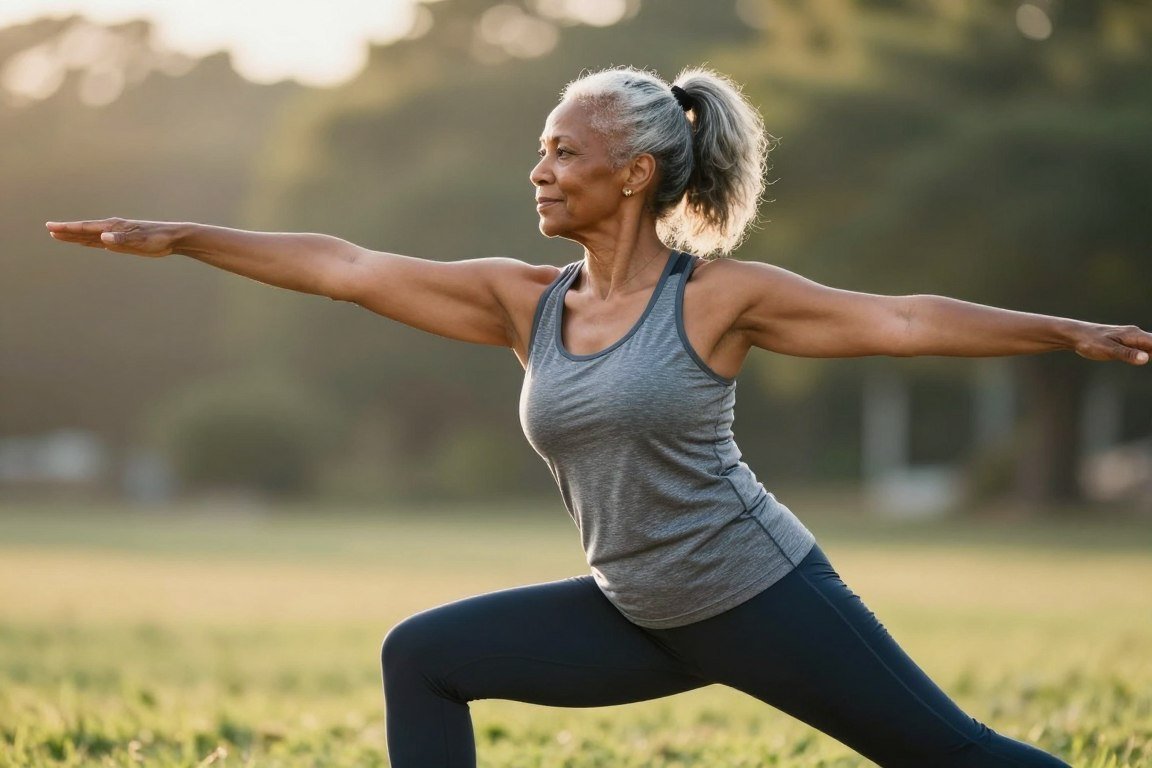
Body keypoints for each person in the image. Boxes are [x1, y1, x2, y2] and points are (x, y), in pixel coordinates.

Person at [45, 65, 1149, 768]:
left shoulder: (717, 299)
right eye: (542, 148)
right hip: (637, 609)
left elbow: (903, 321)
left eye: (563, 152)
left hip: (761, 595)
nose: (539, 169)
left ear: (632, 174)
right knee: (423, 657)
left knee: (957, 759)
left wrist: (1066, 333)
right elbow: (347, 265)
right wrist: (185, 235)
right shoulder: (524, 303)